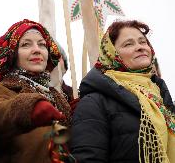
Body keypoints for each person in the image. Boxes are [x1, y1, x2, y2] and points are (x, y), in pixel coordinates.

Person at [69, 20, 175, 163]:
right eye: (128, 44)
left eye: (143, 42)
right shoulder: (94, 102)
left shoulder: (160, 96)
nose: (140, 47)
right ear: (111, 54)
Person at [0, 19, 75, 163]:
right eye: (25, 44)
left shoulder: (56, 94)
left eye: (42, 44)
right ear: (13, 54)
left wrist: (77, 115)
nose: (37, 49)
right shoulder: (3, 90)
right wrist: (28, 108)